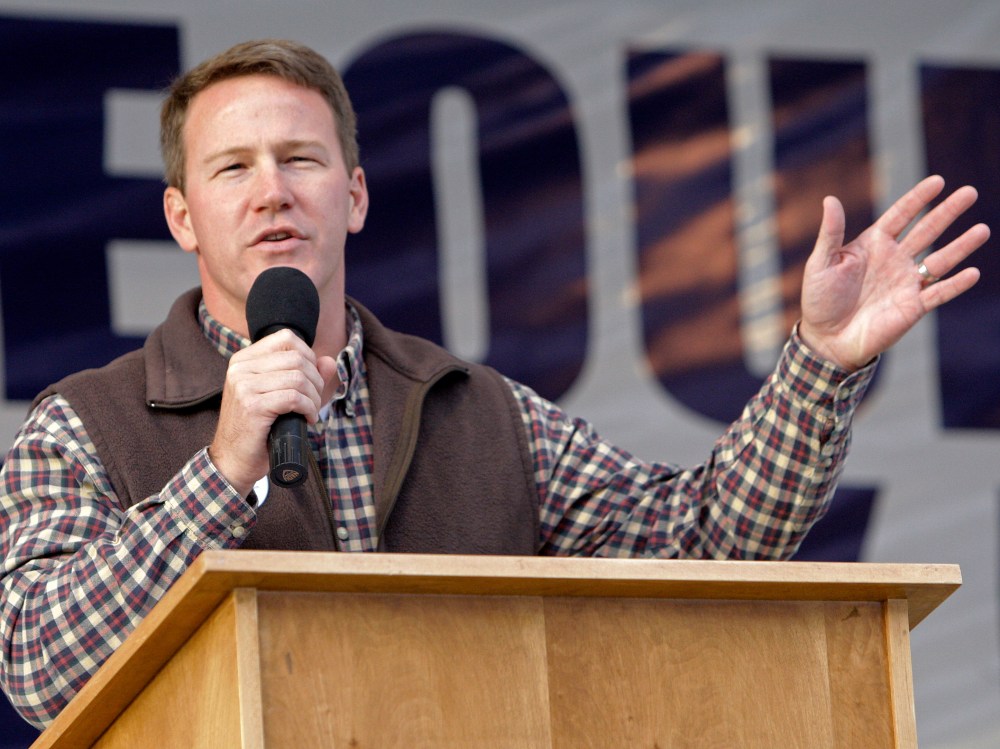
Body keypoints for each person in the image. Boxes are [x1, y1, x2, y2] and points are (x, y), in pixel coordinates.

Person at [0, 38, 988, 729]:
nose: (271, 190)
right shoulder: (81, 425)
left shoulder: (477, 409)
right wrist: (218, 472)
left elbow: (702, 541)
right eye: (232, 167)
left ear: (352, 194)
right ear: (180, 215)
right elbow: (38, 670)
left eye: (300, 157)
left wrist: (819, 362)